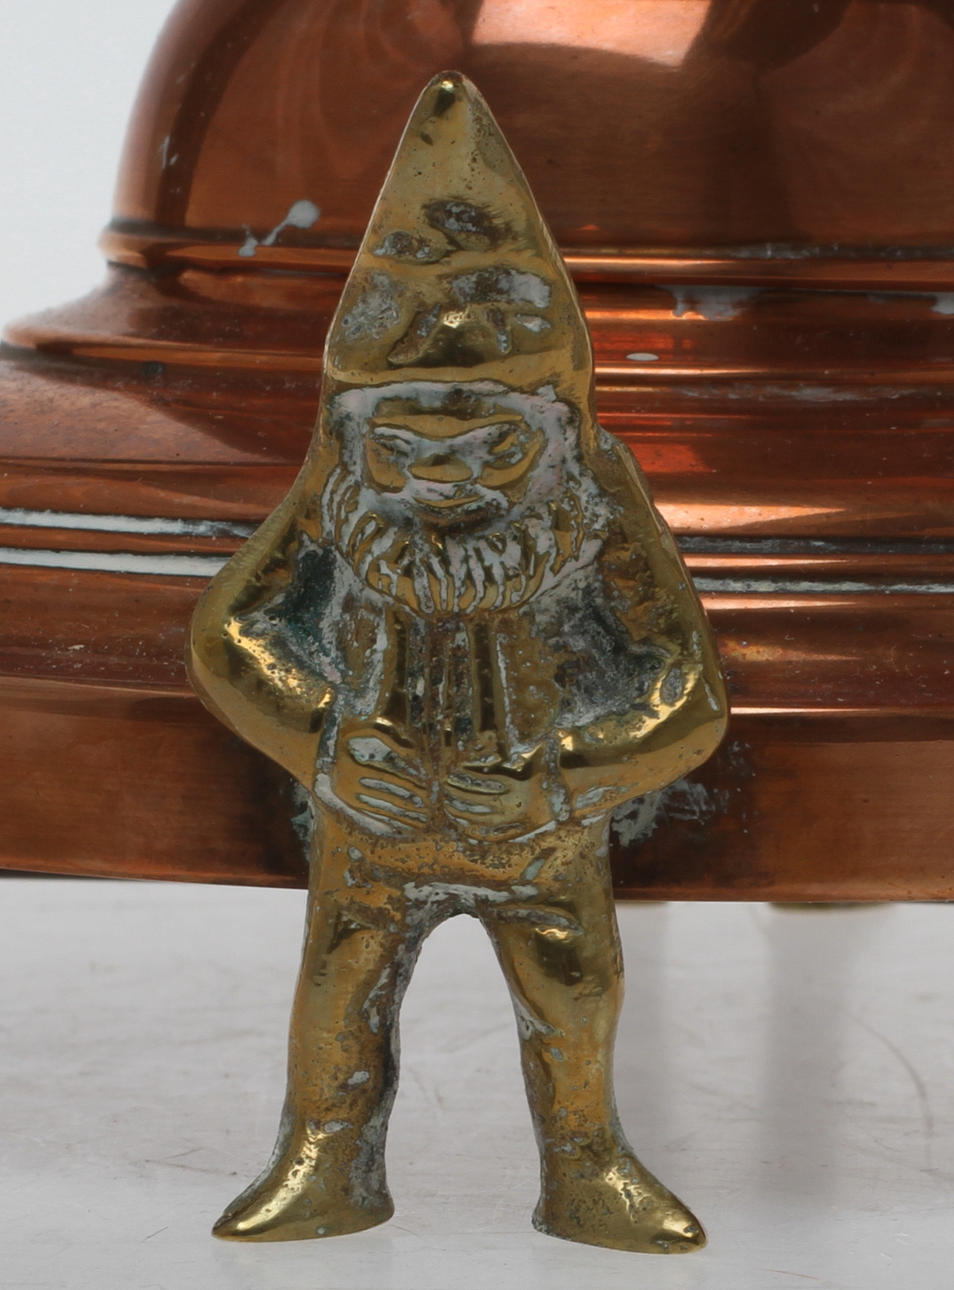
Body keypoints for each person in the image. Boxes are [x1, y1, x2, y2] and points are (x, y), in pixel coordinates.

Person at [189, 72, 726, 1254]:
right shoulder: (334, 498)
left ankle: (587, 1163)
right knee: (340, 991)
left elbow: (687, 693)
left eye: (493, 446)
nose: (444, 479)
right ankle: (325, 1160)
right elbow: (229, 637)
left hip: (538, 831)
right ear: (351, 437)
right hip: (370, 824)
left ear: (560, 432)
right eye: (404, 445)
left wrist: (564, 779)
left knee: (573, 993)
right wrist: (322, 745)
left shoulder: (596, 504)